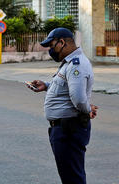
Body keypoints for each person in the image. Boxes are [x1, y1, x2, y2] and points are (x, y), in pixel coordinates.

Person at [27, 27, 98, 184]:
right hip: (64, 129)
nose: (51, 50)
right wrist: (45, 85)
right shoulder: (69, 63)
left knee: (73, 177)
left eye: (52, 46)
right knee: (69, 175)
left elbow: (78, 98)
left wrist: (87, 110)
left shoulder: (76, 64)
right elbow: (65, 87)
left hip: (69, 129)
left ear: (62, 42)